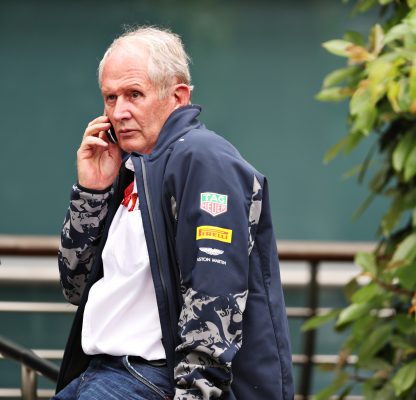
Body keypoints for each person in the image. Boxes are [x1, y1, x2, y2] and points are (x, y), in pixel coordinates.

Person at [54, 26, 294, 400]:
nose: (119, 112)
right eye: (110, 97)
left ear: (178, 96)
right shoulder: (132, 167)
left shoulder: (203, 158)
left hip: (148, 379)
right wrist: (92, 191)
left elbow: (215, 294)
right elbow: (74, 287)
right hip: (99, 373)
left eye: (134, 94)